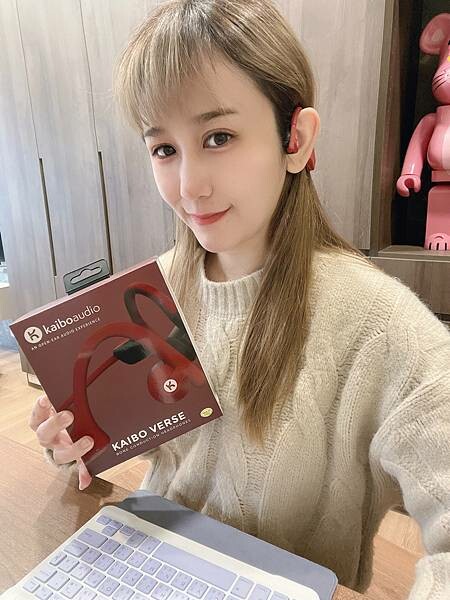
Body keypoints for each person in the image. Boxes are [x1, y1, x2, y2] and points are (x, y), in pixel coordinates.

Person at [29, 0, 450, 597]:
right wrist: (71, 442)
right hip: (148, 565)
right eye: (164, 149)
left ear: (296, 138)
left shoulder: (378, 322)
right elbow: (127, 453)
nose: (188, 186)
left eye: (218, 136)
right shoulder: (152, 294)